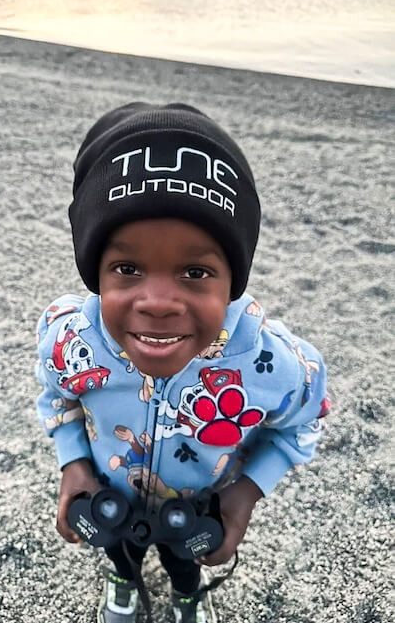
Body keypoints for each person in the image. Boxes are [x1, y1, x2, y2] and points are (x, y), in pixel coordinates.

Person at [35, 102, 329, 623]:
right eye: (127, 268)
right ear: (94, 270)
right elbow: (58, 396)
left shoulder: (270, 364)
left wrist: (246, 492)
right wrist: (73, 463)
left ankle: (189, 594)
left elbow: (302, 424)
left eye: (195, 272)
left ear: (233, 278)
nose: (158, 303)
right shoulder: (72, 342)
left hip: (195, 510)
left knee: (183, 561)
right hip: (109, 496)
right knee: (119, 550)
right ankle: (123, 579)